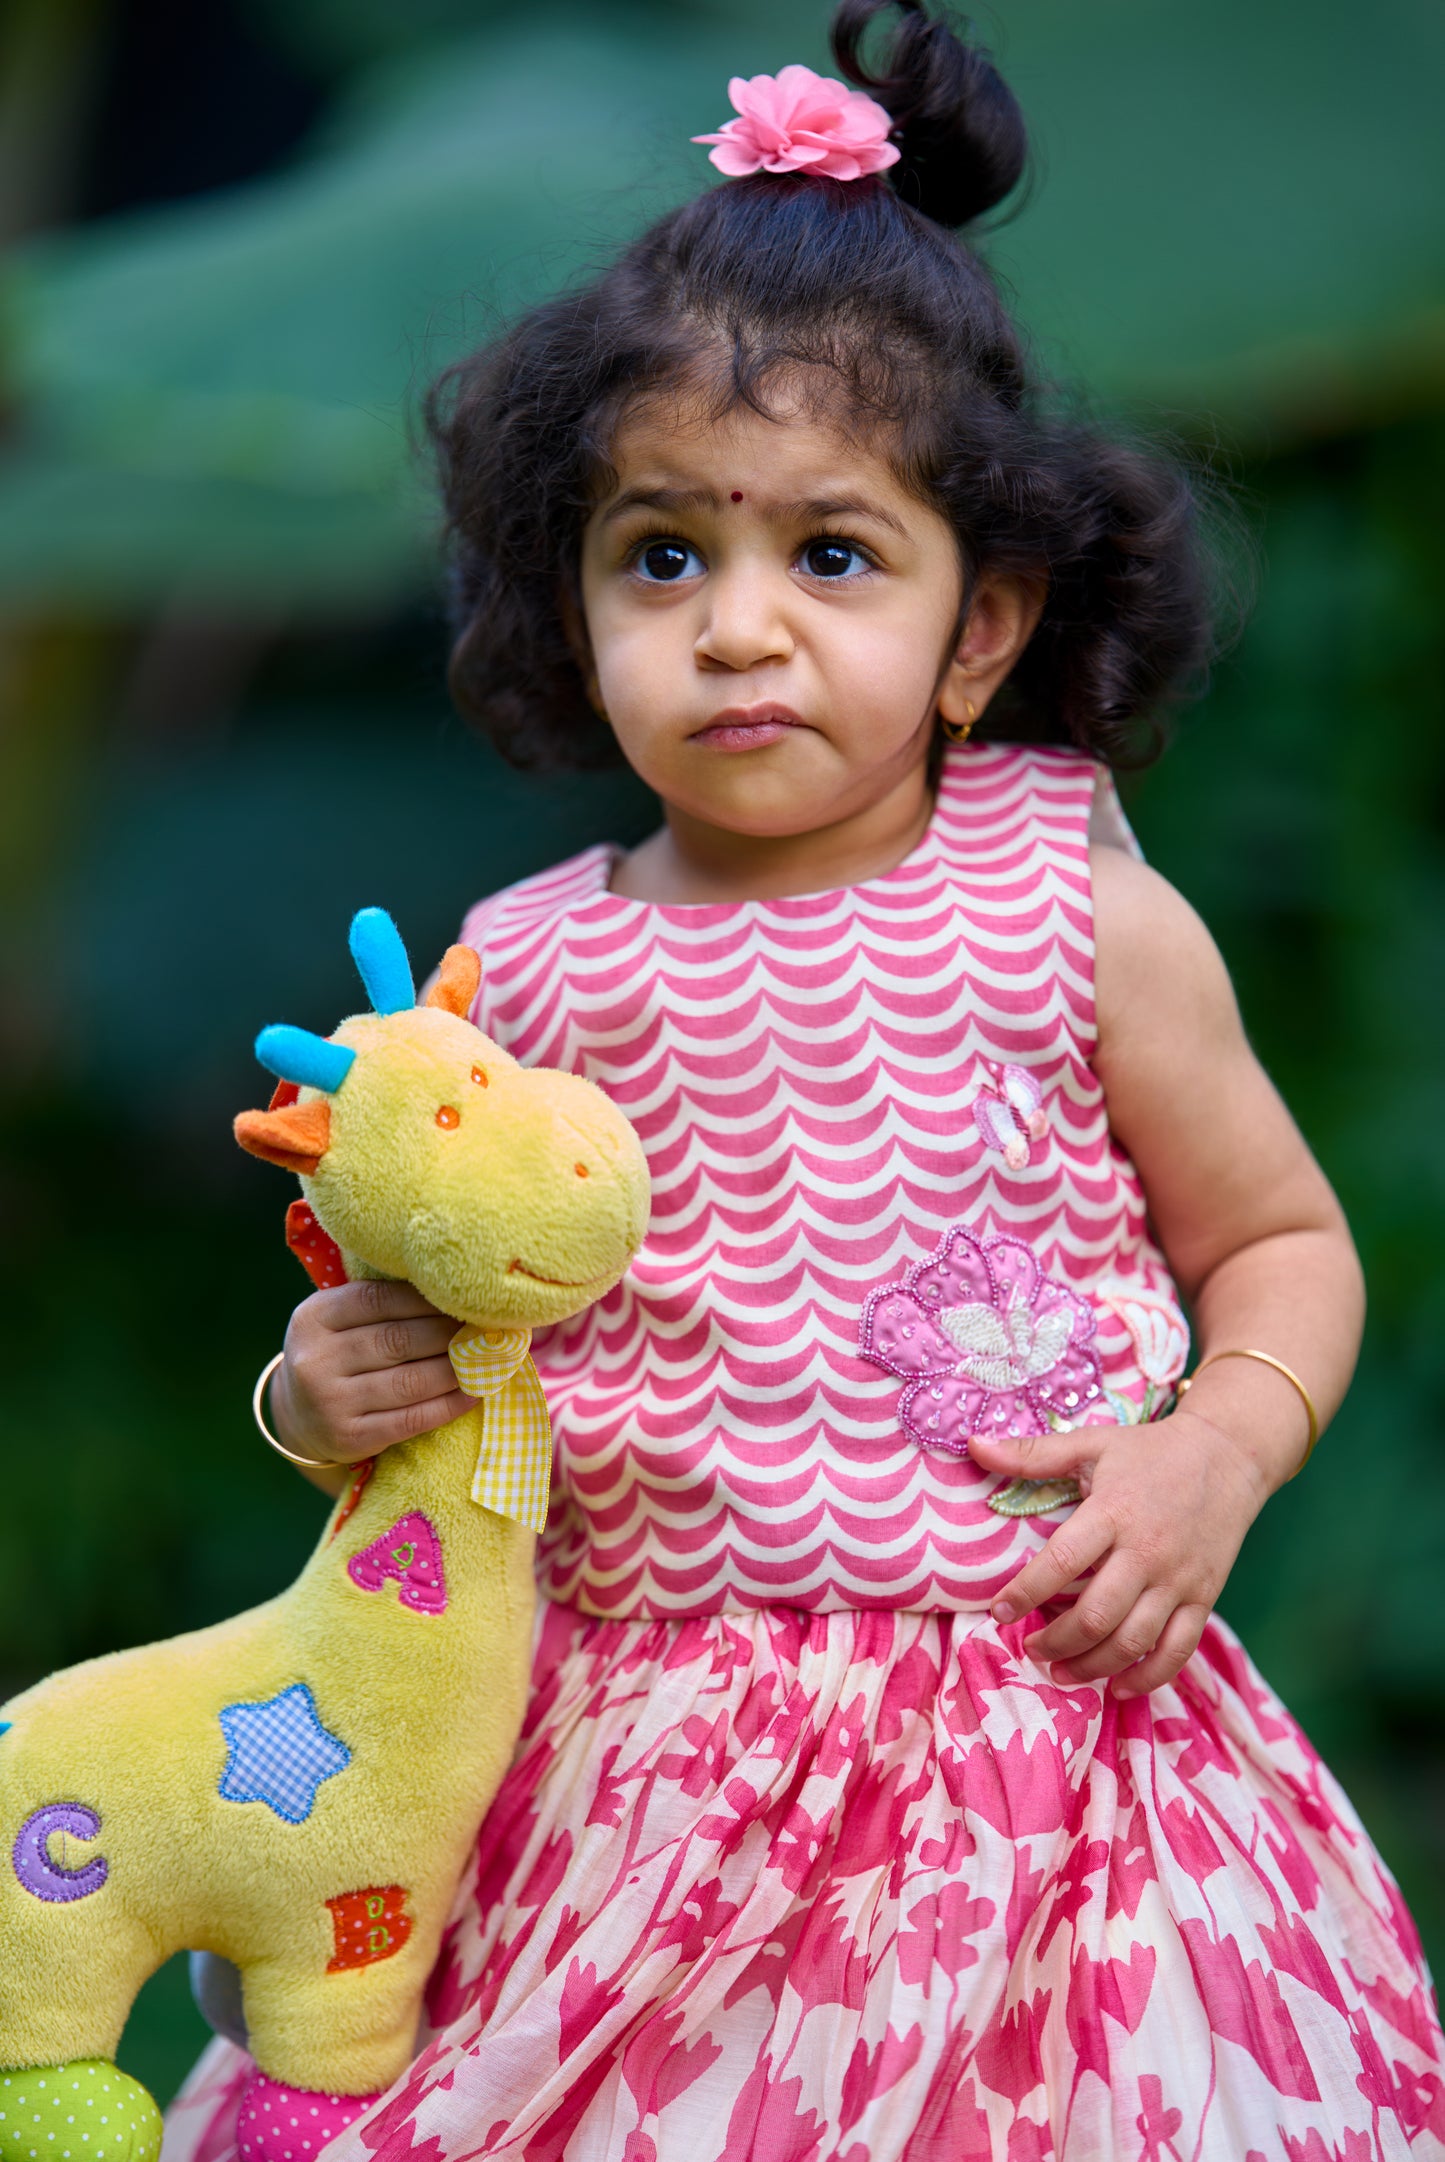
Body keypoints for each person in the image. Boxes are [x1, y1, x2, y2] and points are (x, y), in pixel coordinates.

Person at [171, 4, 1445, 2155]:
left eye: (829, 553)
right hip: (616, 1801)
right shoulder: (520, 970)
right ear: (575, 607)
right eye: (664, 552)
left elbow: (1287, 1236)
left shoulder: (1082, 911)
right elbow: (421, 1352)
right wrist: (323, 1389)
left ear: (979, 626)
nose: (740, 624)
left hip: (1043, 1779)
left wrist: (1218, 1450)